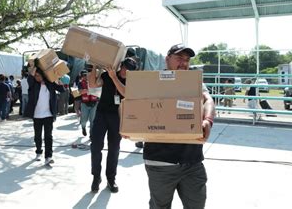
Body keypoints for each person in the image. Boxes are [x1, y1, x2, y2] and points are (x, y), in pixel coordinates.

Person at [142, 44, 215, 209]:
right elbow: (131, 105)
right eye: (179, 58)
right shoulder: (152, 81)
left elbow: (208, 99)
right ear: (167, 59)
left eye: (187, 60)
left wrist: (208, 120)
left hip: (192, 161)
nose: (184, 63)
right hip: (160, 162)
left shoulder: (193, 81)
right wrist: (128, 126)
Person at [88, 57, 138, 193]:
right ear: (121, 66)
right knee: (96, 146)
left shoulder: (132, 82)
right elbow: (92, 84)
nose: (126, 71)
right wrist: (94, 66)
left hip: (117, 116)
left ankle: (111, 178)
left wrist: (114, 77)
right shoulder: (106, 76)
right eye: (125, 67)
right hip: (101, 114)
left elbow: (125, 93)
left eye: (130, 70)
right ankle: (96, 176)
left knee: (114, 149)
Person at [24, 66, 65, 165]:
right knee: (37, 136)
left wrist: (57, 80)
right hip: (37, 115)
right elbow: (30, 77)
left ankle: (48, 157)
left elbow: (62, 90)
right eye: (36, 75)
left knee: (48, 136)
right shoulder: (33, 85)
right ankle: (38, 152)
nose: (37, 77)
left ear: (43, 75)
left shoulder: (50, 84)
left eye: (39, 75)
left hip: (48, 115)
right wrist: (35, 65)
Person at [78, 70, 98, 137]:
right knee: (83, 120)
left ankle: (91, 135)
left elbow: (98, 91)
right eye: (84, 75)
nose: (85, 77)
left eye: (86, 75)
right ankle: (83, 127)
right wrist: (89, 90)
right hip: (84, 104)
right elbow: (81, 92)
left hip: (94, 103)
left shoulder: (95, 82)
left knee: (92, 120)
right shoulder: (80, 83)